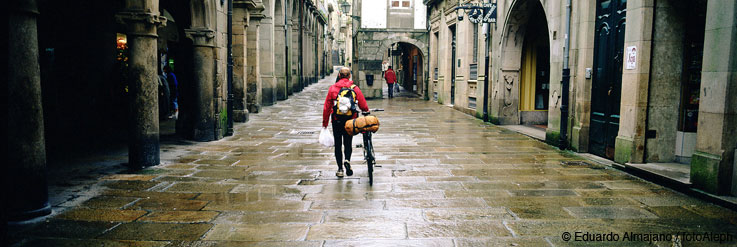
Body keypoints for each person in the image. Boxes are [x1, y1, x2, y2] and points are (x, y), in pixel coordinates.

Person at [322, 67, 369, 177]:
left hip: (336, 120)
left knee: (338, 145)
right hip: (350, 120)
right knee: (348, 143)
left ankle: (340, 169)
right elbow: (362, 104)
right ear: (349, 76)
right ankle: (347, 160)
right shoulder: (354, 88)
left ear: (339, 75)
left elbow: (327, 107)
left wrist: (325, 123)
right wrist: (366, 110)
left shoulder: (333, 88)